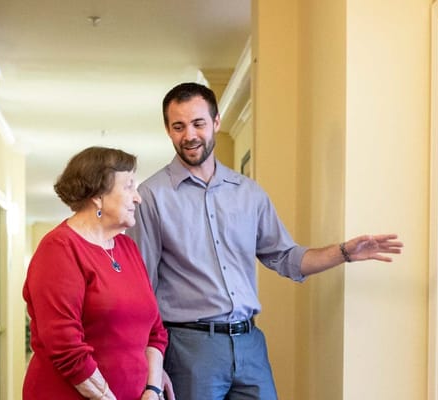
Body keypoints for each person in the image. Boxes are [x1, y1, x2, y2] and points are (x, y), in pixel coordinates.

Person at [126, 82, 403, 400]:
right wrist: (152, 365)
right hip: (188, 348)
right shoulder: (150, 197)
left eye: (198, 123)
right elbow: (141, 289)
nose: (189, 135)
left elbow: (286, 257)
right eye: (179, 126)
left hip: (250, 344)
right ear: (168, 130)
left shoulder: (249, 193)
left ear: (216, 122)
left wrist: (344, 253)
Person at [23, 146, 172, 400]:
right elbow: (65, 347)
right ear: (98, 195)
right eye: (128, 186)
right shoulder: (59, 248)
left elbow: (156, 332)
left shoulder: (127, 248)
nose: (138, 197)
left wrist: (152, 389)